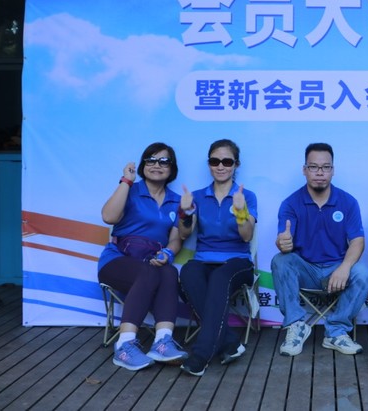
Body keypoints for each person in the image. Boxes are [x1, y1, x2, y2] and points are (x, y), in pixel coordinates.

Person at [271, 142, 368, 356]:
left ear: (333, 170)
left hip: (337, 270)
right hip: (306, 269)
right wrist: (283, 243)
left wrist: (345, 267)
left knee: (362, 272)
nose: (320, 172)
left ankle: (336, 332)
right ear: (304, 170)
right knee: (280, 260)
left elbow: (357, 241)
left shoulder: (348, 202)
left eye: (325, 167)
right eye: (314, 167)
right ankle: (296, 326)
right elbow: (283, 240)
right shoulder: (290, 203)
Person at [98, 142, 189, 371]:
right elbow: (108, 217)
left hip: (151, 262)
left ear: (172, 168)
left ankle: (163, 342)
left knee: (169, 272)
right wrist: (126, 181)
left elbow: (176, 239)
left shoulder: (176, 200)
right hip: (116, 260)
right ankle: (124, 345)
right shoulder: (130, 190)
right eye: (151, 160)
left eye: (164, 161)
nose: (157, 165)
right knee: (150, 272)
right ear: (143, 165)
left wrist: (167, 253)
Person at [177, 139, 258, 376]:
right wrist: (185, 213)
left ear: (236, 164)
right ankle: (229, 341)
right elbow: (184, 234)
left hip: (237, 262)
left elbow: (246, 236)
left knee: (220, 277)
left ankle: (201, 355)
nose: (220, 166)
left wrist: (241, 212)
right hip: (204, 260)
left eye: (227, 161)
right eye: (215, 161)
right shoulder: (197, 197)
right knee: (188, 273)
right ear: (209, 164)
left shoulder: (246, 196)